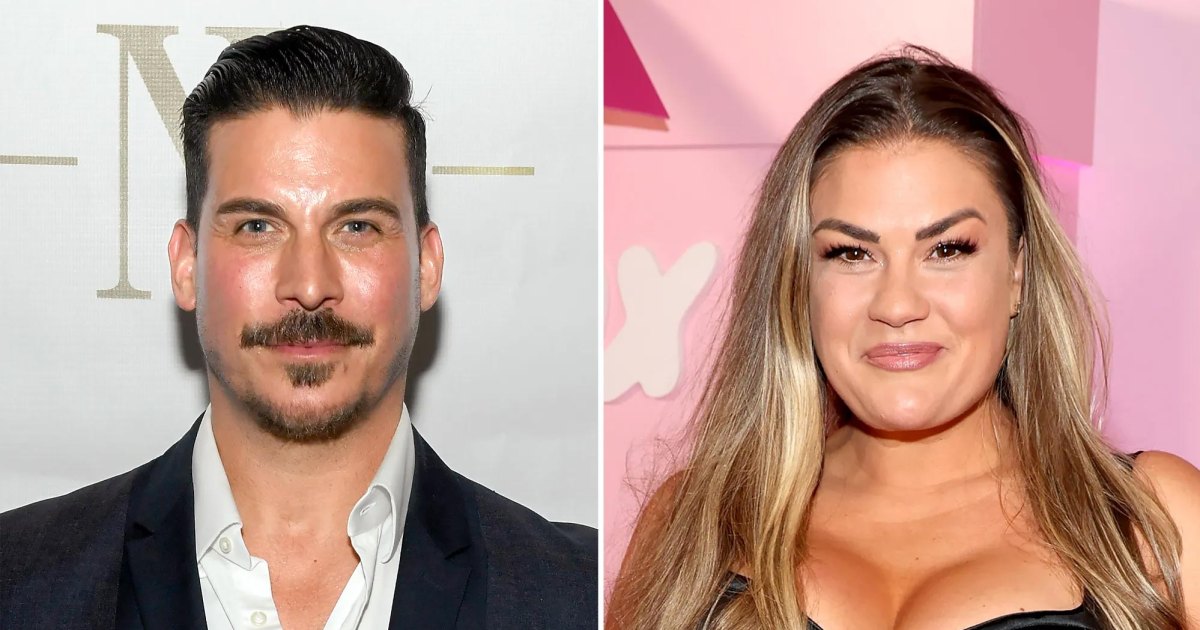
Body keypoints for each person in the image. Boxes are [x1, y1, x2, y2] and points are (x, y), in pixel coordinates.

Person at [0, 26, 596, 630]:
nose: (309, 286)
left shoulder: (587, 597)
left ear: (427, 266)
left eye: (357, 227)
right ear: (186, 265)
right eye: (258, 227)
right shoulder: (17, 583)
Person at [607, 47, 1199, 629]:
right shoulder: (694, 521)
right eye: (851, 253)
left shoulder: (1156, 520)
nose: (896, 305)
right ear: (798, 281)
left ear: (1017, 272)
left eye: (947, 249)